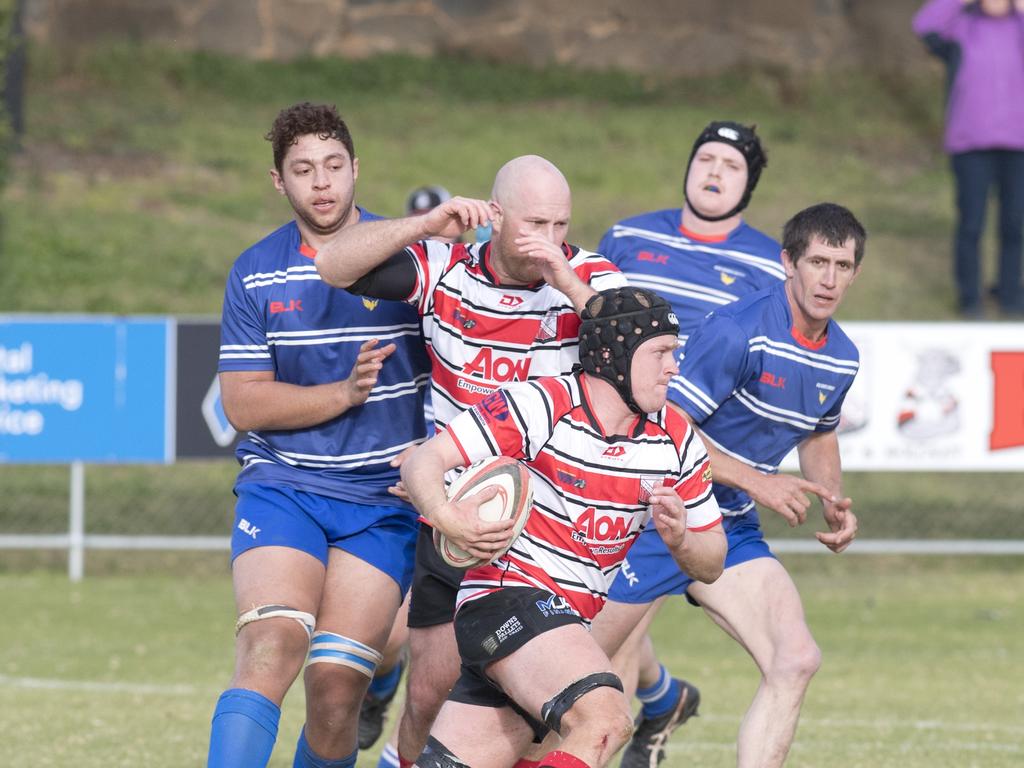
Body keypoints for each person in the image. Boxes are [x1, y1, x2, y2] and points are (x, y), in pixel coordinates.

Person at [315, 155, 628, 768]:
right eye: (536, 222)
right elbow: (332, 264)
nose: (551, 238)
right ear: (497, 214)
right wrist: (422, 225)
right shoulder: (446, 269)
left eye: (562, 223)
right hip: (457, 516)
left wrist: (564, 277)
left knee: (534, 715)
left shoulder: (585, 275)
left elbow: (633, 345)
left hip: (546, 532)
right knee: (430, 696)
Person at [399, 286, 727, 768]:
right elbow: (424, 462)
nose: (673, 367)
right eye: (660, 353)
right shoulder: (541, 404)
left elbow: (713, 560)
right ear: (616, 355)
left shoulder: (676, 439)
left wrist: (680, 539)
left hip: (564, 624)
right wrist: (448, 518)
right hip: (505, 597)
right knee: (604, 721)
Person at [591, 203, 865, 768]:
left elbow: (819, 434)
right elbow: (670, 428)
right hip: (653, 514)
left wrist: (833, 503)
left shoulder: (842, 356)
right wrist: (759, 482)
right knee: (578, 680)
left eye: (842, 264)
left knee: (795, 658)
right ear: (788, 262)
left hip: (728, 525)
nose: (829, 278)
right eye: (818, 261)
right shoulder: (739, 330)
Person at [207, 102, 432, 768]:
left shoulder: (413, 263)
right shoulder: (256, 272)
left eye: (334, 165)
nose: (323, 183)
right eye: (303, 170)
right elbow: (243, 403)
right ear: (280, 182)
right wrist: (344, 394)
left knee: (336, 694)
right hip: (286, 488)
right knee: (270, 646)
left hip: (380, 502)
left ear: (357, 168)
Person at [597, 120, 784, 767]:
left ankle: (636, 711)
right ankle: (662, 698)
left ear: (748, 185)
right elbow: (587, 333)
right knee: (598, 615)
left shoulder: (768, 266)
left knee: (606, 639)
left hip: (690, 475)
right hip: (604, 454)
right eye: (704, 157)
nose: (713, 171)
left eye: (730, 166)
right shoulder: (628, 237)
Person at [359, 184, 454, 762]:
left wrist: (432, 455)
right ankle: (382, 687)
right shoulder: (392, 304)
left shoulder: (472, 306)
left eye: (441, 229)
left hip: (450, 485)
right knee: (386, 641)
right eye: (421, 227)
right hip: (393, 484)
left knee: (439, 661)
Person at [912, 0, 1024, 317]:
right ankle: (970, 298)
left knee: (1015, 224)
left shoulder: (1019, 28)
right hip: (970, 143)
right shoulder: (963, 26)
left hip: (1019, 145)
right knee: (971, 224)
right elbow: (924, 24)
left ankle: (1011, 294)